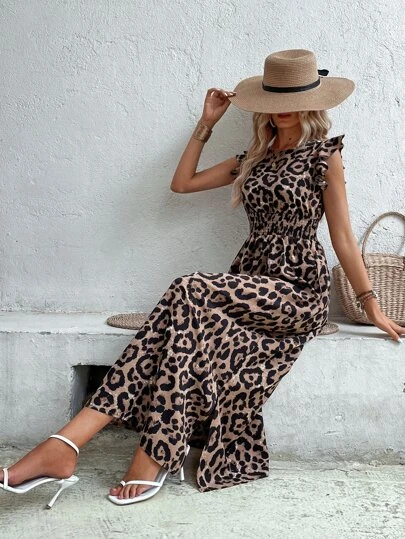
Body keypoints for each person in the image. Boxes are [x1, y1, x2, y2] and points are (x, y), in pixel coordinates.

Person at [1, 49, 404, 508]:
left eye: (293, 99)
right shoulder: (252, 159)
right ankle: (85, 448)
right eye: (275, 99)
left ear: (312, 103)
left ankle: (101, 448)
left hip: (297, 292)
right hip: (247, 282)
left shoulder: (324, 156)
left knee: (188, 287)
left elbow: (343, 237)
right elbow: (183, 183)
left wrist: (371, 304)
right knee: (184, 323)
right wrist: (206, 123)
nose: (284, 108)